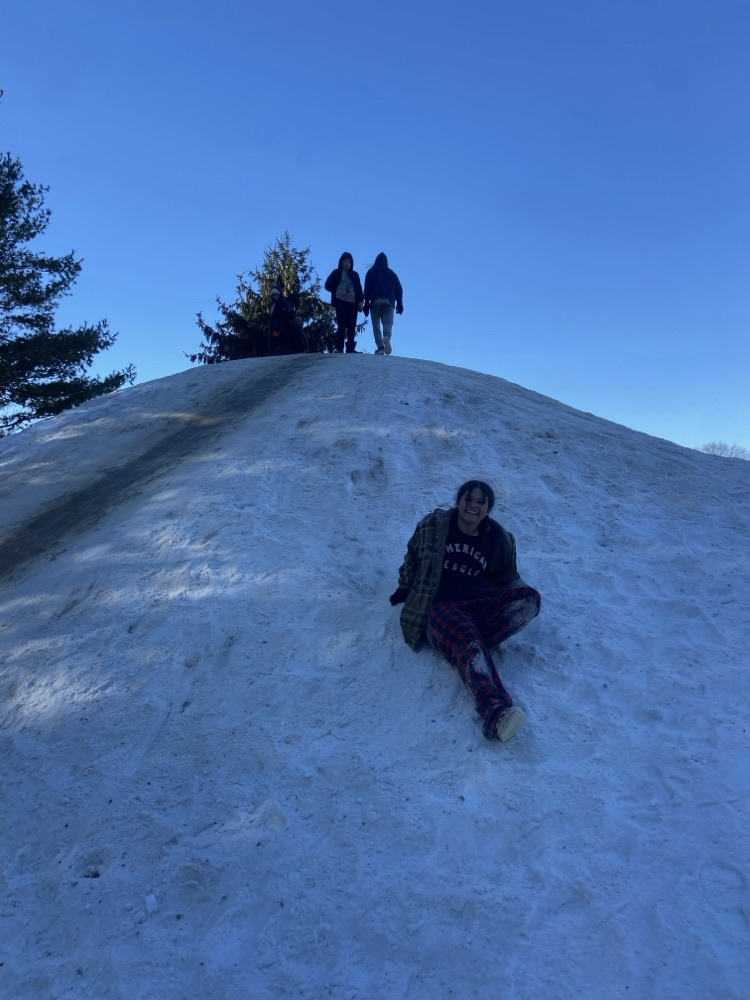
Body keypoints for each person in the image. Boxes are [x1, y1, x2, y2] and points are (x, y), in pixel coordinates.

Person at [389, 480, 541, 742]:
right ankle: (496, 713)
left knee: (529, 600)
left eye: (481, 502)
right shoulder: (435, 527)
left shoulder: (495, 536)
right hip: (440, 609)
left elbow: (505, 575)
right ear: (458, 501)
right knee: (468, 639)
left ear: (488, 509)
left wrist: (516, 594)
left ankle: (469, 648)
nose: (473, 506)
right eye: (468, 499)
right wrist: (404, 587)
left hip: (477, 607)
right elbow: (413, 555)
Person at [363, 252, 403, 355]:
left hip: (375, 301)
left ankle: (380, 347)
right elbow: (399, 289)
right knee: (387, 323)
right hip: (389, 301)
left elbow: (367, 289)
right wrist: (399, 302)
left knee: (376, 325)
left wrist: (366, 303)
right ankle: (387, 338)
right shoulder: (392, 274)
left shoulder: (371, 272)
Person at [324, 252, 364, 354]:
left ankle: (350, 348)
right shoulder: (336, 273)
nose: (348, 264)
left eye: (350, 262)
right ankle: (339, 348)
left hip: (353, 303)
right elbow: (327, 285)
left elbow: (359, 289)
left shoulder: (355, 275)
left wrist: (360, 301)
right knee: (341, 325)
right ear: (341, 262)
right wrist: (336, 290)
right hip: (340, 301)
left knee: (351, 326)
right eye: (346, 261)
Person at [267, 285, 308, 355]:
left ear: (280, 294)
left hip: (284, 332)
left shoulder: (284, 305)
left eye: (276, 294)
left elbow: (287, 317)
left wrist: (292, 322)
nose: (275, 297)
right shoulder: (273, 307)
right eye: (273, 295)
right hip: (276, 333)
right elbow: (273, 321)